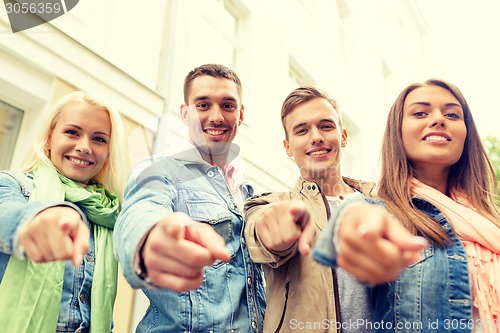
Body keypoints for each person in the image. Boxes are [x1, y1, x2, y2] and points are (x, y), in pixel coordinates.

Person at [313, 78, 500, 332]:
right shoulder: (378, 211)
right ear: (397, 132)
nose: (438, 119)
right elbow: (351, 219)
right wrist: (353, 226)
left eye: (452, 114)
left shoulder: (491, 221)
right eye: (420, 113)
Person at [243, 86, 427, 333]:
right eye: (302, 130)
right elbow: (262, 231)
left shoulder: (388, 201)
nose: (316, 137)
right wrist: (276, 225)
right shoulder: (270, 204)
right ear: (287, 146)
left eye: (326, 126)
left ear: (343, 136)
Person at [114, 64, 266, 333]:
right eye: (203, 105)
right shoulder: (158, 170)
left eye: (228, 105)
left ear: (240, 114)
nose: (216, 116)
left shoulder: (246, 191)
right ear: (185, 113)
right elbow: (141, 213)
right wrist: (148, 238)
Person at [0, 91, 126, 333]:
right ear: (49, 138)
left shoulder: (110, 213)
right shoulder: (13, 185)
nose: (84, 147)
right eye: (72, 132)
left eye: (99, 139)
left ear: (109, 152)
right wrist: (39, 219)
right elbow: (5, 215)